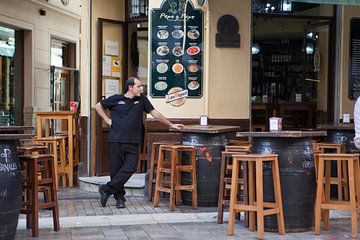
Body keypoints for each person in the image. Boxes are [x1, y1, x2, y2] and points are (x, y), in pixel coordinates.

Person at [95, 77, 184, 208]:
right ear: (130, 88)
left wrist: (171, 124)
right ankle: (120, 199)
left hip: (133, 140)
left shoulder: (141, 99)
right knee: (116, 171)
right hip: (116, 140)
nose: (141, 88)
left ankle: (106, 189)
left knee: (130, 168)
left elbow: (155, 113)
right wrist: (107, 120)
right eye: (139, 86)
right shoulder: (116, 99)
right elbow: (98, 106)